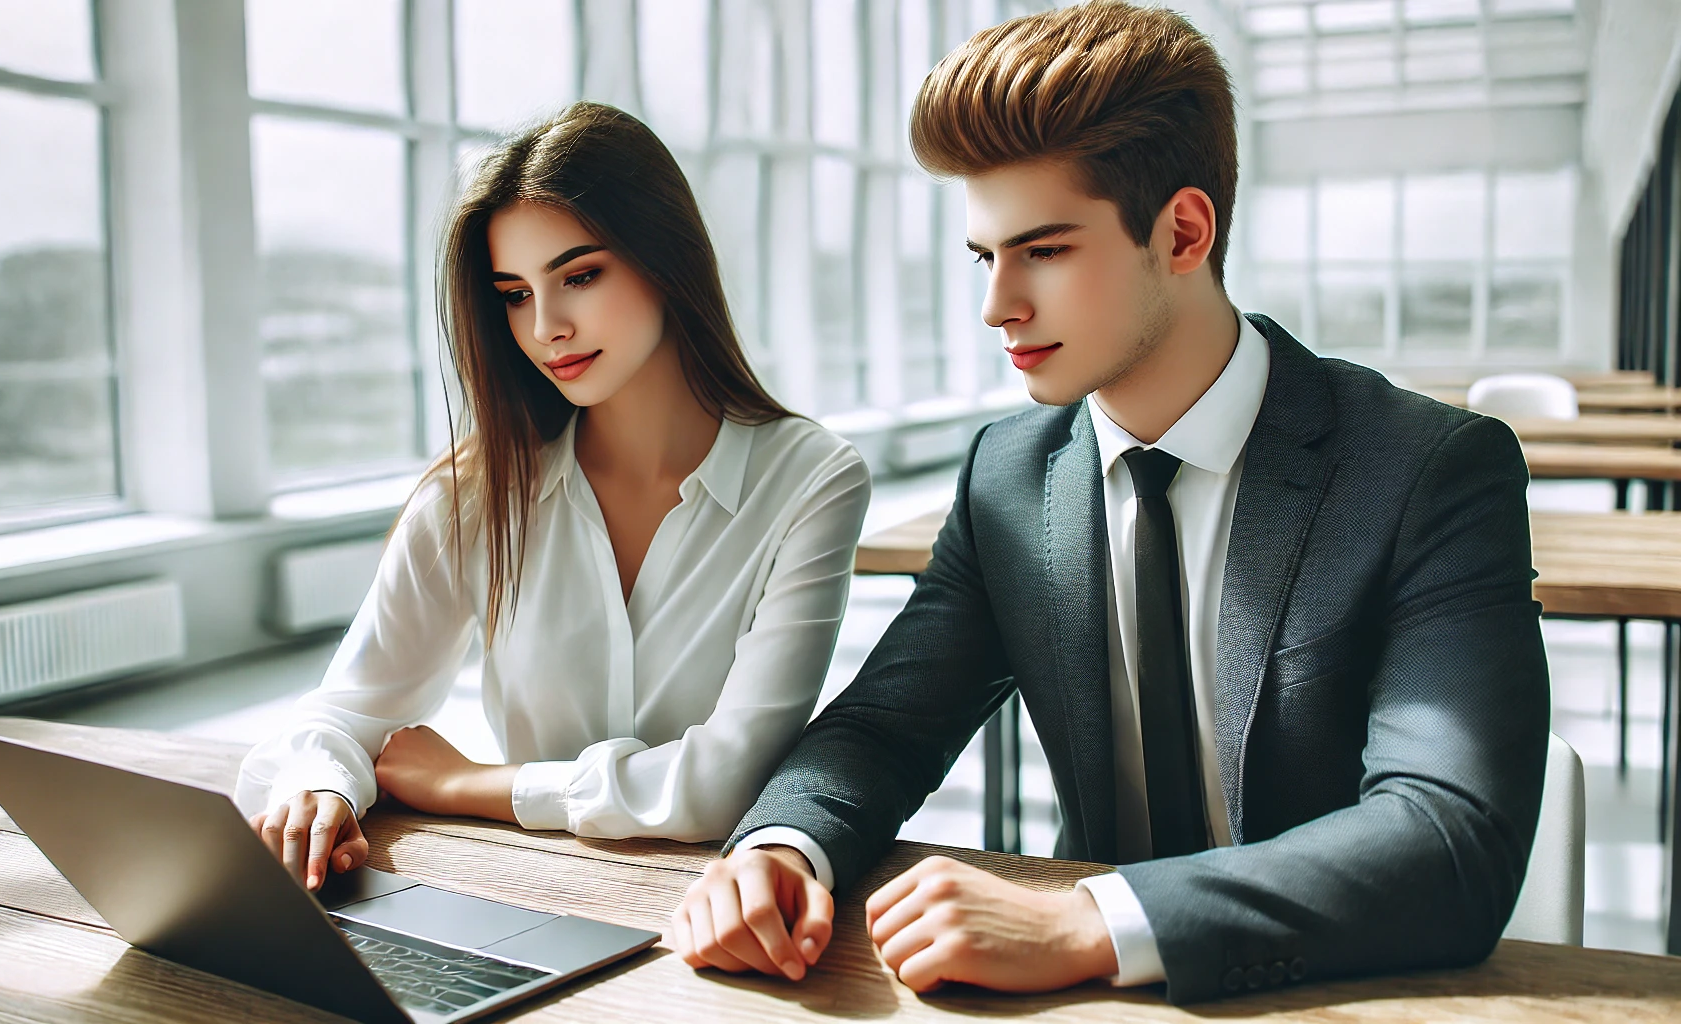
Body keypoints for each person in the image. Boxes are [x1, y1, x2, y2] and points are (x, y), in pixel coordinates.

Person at [672, 0, 1548, 1005]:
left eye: (1042, 250)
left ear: (1181, 231)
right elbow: (882, 729)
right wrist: (783, 846)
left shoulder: (1427, 469)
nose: (997, 303)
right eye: (984, 256)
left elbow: (1449, 839)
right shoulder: (1008, 474)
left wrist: (1093, 915)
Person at [235, 102, 870, 893]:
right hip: (529, 885)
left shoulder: (810, 478)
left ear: (664, 260)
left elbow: (725, 782)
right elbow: (342, 713)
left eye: (579, 276)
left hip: (727, 904)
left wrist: (467, 785)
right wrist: (321, 789)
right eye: (513, 293)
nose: (546, 329)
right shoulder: (477, 492)